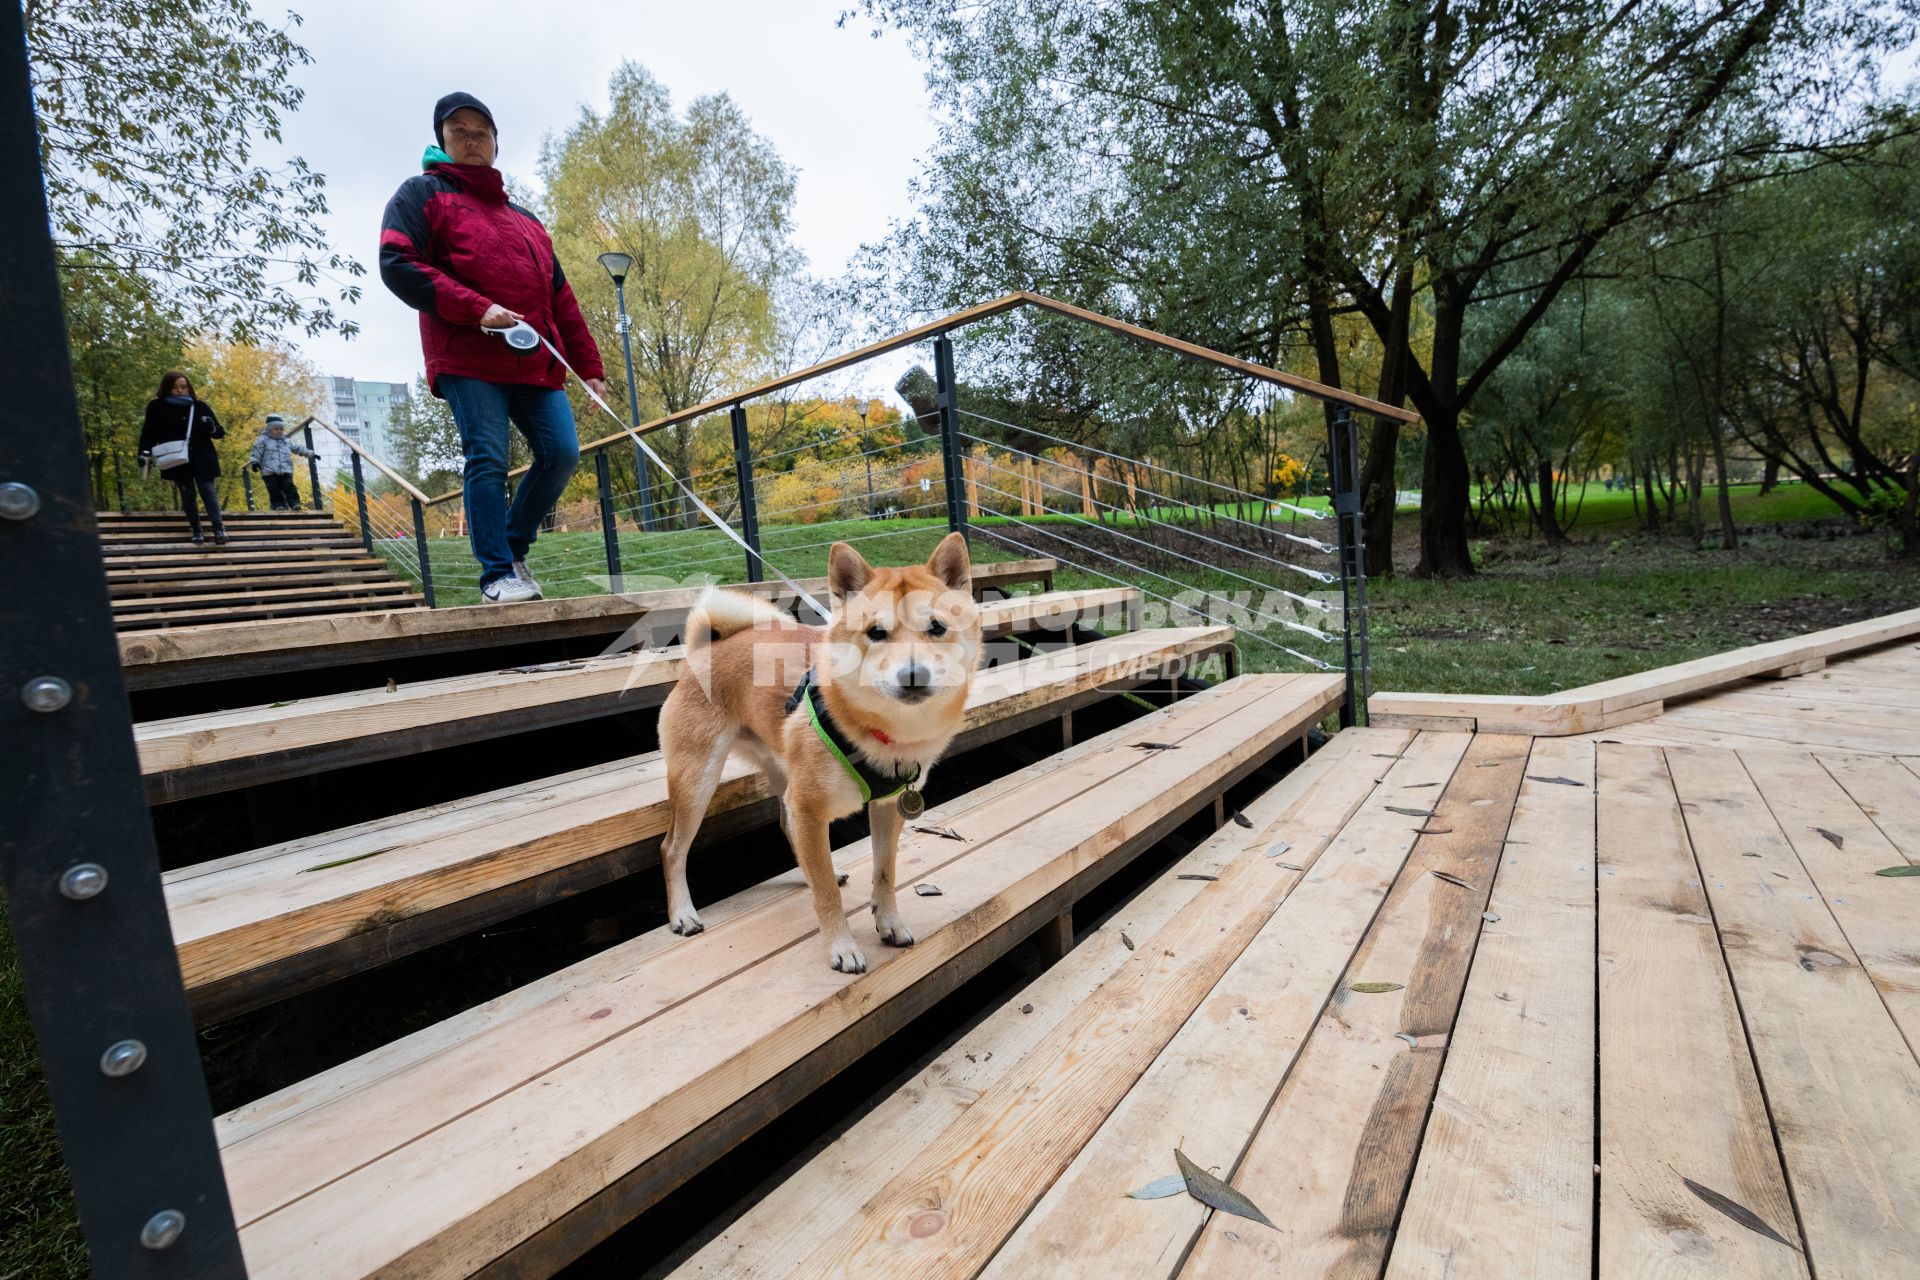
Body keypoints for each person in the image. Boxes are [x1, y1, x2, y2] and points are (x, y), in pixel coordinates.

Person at [377, 91, 607, 604]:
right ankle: (496, 575)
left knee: (562, 452)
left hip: (534, 358)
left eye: (481, 132)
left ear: (496, 144)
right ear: (443, 140)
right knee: (488, 456)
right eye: (459, 131)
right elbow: (397, 262)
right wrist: (476, 306)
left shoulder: (526, 220)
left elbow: (560, 295)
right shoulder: (421, 194)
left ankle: (514, 547)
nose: (472, 139)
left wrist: (589, 365)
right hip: (467, 354)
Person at [139, 370, 228, 545]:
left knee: (208, 492)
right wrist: (144, 451)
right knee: (188, 494)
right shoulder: (156, 406)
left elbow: (219, 432)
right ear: (167, 388)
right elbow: (148, 432)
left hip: (202, 456)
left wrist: (211, 427)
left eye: (183, 387)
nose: (180, 390)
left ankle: (219, 529)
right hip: (176, 457)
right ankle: (196, 529)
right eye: (175, 387)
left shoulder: (199, 406)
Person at [249, 414, 315, 510]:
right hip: (269, 471)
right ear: (269, 429)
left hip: (286, 469)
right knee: (274, 489)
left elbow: (297, 448)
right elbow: (256, 452)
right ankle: (278, 505)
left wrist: (310, 453)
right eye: (276, 429)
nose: (279, 431)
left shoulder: (286, 441)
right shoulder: (262, 440)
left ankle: (295, 503)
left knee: (289, 486)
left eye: (281, 429)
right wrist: (255, 462)